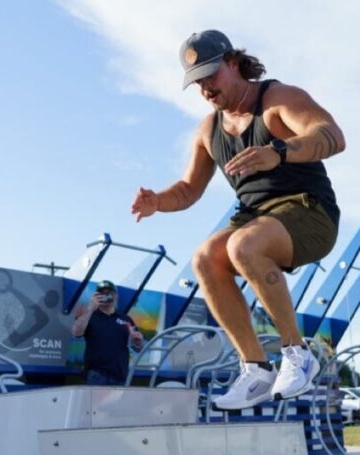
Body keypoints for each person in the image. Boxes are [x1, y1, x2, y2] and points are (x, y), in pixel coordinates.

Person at [131, 30, 344, 409]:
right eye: (197, 82)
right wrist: (157, 202)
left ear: (233, 62)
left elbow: (331, 135)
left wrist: (278, 151)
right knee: (204, 258)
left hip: (310, 211)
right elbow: (188, 189)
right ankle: (256, 369)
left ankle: (298, 354)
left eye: (211, 76)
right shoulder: (209, 130)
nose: (205, 89)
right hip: (255, 218)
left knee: (242, 245)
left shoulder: (278, 99)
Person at [71, 280, 144, 385]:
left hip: (120, 375)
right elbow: (76, 332)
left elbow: (138, 348)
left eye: (109, 293)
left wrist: (138, 342)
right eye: (102, 293)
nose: (106, 296)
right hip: (95, 374)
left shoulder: (126, 319)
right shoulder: (89, 316)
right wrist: (90, 308)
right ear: (96, 296)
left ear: (116, 296)